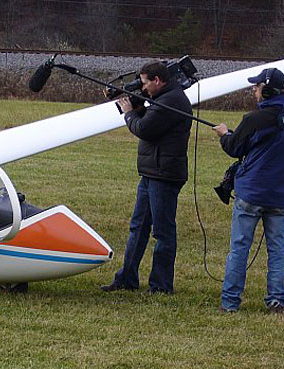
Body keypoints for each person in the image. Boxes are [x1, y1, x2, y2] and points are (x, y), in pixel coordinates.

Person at [101, 61, 193, 294]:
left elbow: (145, 129)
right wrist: (138, 105)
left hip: (164, 175)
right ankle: (126, 279)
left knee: (162, 232)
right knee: (138, 227)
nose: (143, 89)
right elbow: (151, 118)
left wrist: (129, 113)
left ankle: (161, 286)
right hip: (152, 172)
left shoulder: (171, 101)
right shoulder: (163, 97)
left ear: (157, 81)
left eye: (144, 84)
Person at [212, 68, 284, 314]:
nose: (254, 90)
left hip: (251, 193)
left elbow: (233, 148)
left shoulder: (254, 120)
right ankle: (277, 301)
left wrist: (224, 134)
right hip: (280, 196)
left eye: (257, 87)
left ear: (268, 90)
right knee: (278, 251)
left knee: (239, 248)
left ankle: (230, 302)